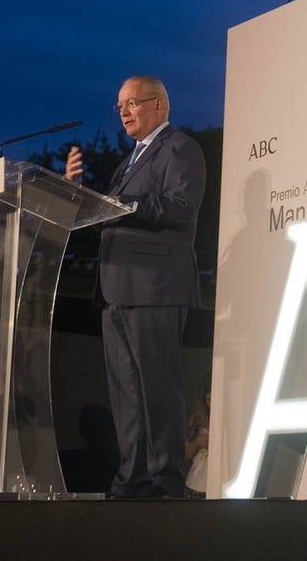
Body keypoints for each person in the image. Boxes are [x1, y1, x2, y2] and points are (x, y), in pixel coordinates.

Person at [65, 75, 207, 498]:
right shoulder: (128, 162)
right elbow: (105, 219)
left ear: (159, 105)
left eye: (132, 103)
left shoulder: (180, 148)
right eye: (120, 106)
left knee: (157, 388)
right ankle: (132, 479)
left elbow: (181, 207)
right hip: (116, 291)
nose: (124, 112)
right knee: (126, 394)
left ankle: (164, 480)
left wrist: (123, 206)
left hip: (155, 287)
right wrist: (75, 194)